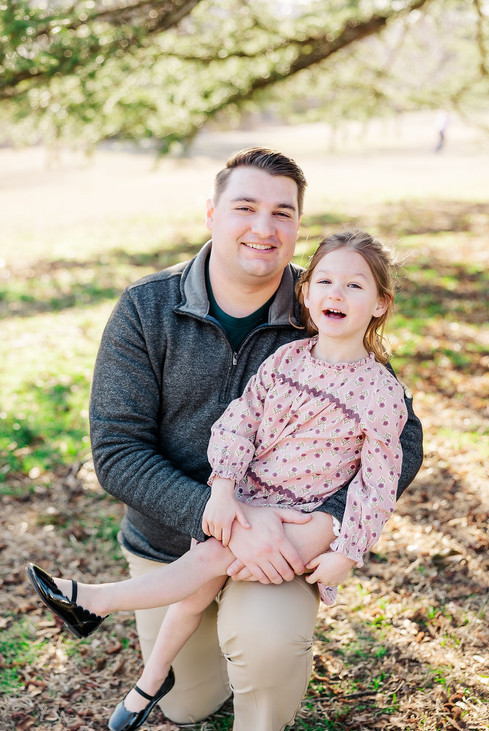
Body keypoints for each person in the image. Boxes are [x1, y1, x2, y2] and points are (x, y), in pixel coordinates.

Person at [35, 148, 423, 731]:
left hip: (287, 540)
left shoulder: (325, 301)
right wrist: (226, 511)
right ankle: (164, 665)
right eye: (245, 207)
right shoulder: (148, 308)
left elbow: (402, 442)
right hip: (174, 539)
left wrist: (333, 525)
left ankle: (247, 683)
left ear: (298, 228)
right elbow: (117, 453)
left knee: (265, 653)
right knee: (189, 704)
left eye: (283, 213)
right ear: (212, 214)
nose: (263, 228)